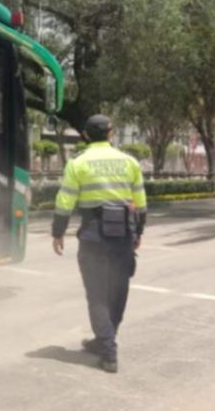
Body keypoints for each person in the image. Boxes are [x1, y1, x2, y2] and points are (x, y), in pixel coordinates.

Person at [51, 115, 147, 373]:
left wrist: (57, 232)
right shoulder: (130, 162)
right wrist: (138, 232)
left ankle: (107, 349)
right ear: (111, 133)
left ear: (85, 135)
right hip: (123, 237)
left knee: (97, 295)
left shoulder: (77, 163)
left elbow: (65, 201)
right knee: (117, 292)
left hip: (93, 237)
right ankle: (106, 338)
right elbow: (140, 202)